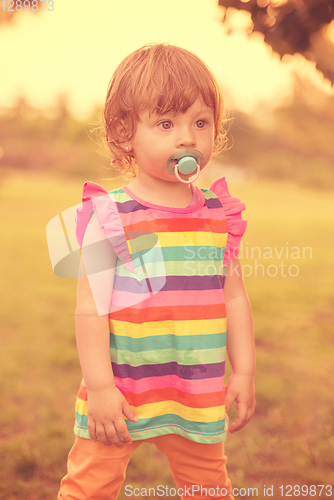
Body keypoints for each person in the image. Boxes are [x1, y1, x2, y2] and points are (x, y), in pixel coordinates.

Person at [58, 43, 256, 500]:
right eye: (166, 124)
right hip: (121, 392)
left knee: (209, 489)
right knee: (90, 488)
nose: (187, 138)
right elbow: (90, 309)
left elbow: (233, 296)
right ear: (126, 133)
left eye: (200, 123)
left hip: (196, 391)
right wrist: (101, 388)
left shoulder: (219, 214)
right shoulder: (107, 215)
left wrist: (242, 371)